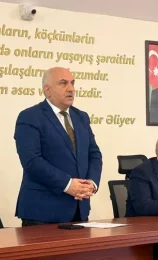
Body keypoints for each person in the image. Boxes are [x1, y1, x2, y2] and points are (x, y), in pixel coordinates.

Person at [14, 67, 103, 225]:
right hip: (42, 213)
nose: (70, 89)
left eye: (72, 83)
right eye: (63, 83)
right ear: (47, 90)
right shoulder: (30, 117)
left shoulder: (81, 117)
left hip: (79, 209)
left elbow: (94, 154)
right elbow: (32, 161)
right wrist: (68, 184)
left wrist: (91, 183)